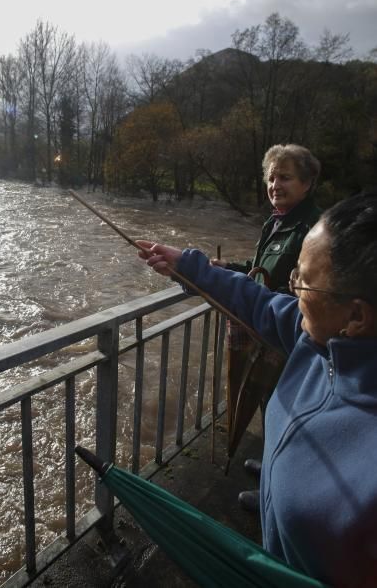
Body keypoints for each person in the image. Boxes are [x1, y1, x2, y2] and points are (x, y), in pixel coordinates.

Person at [136, 191, 377, 588]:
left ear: (356, 315)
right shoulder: (318, 341)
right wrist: (188, 267)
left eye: (303, 280)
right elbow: (259, 303)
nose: (292, 287)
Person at [215, 144, 322, 512]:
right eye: (272, 177)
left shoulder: (312, 229)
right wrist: (228, 266)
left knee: (288, 409)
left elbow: (305, 286)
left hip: (290, 337)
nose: (276, 184)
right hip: (268, 331)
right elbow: (259, 266)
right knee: (268, 402)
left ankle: (278, 498)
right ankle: (272, 467)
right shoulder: (277, 222)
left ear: (307, 183)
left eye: (286, 177)